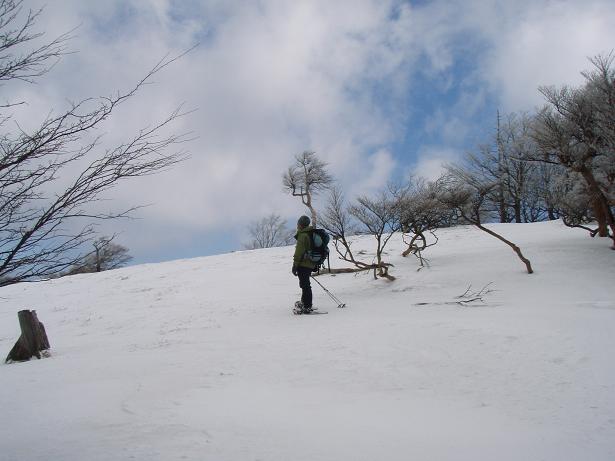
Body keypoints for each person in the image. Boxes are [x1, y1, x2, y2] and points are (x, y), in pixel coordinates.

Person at [292, 215, 316, 313]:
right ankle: (305, 303)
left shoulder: (303, 235)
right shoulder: (310, 233)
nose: (297, 225)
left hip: (303, 264)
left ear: (301, 225)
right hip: (310, 263)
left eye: (298, 223)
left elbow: (299, 252)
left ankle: (307, 306)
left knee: (305, 285)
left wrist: (295, 265)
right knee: (305, 284)